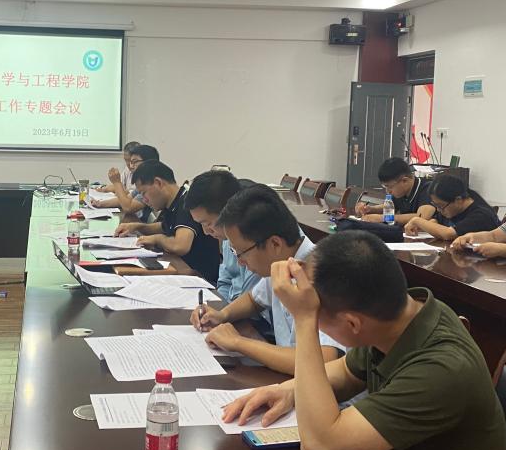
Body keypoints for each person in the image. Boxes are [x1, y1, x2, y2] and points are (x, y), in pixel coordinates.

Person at [222, 231, 506, 450]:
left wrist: (303, 321)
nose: (318, 327)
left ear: (352, 323)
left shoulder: (442, 368)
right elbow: (345, 372)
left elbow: (322, 443)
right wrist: (287, 390)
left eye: (319, 320)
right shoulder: (402, 317)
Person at [188, 185, 344, 374]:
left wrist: (238, 342)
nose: (240, 262)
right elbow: (254, 299)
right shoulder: (282, 263)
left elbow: (325, 359)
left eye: (241, 253)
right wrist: (222, 315)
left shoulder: (324, 276)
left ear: (275, 244)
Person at [114, 159, 220, 283]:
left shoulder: (186, 204)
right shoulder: (173, 202)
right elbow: (165, 226)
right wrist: (137, 227)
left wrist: (157, 239)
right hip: (181, 270)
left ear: (158, 183)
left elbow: (180, 246)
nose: (144, 200)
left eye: (144, 193)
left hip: (199, 278)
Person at [185, 169, 264, 309]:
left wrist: (225, 313)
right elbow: (224, 280)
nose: (206, 232)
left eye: (208, 224)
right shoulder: (226, 237)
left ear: (227, 212)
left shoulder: (256, 235)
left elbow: (253, 299)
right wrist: (218, 308)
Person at [404, 174, 499, 241]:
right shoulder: (451, 207)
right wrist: (424, 226)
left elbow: (448, 234)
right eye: (436, 206)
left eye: (440, 206)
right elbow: (436, 221)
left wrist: (417, 221)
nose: (438, 210)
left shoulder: (481, 214)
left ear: (458, 200)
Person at [356, 157, 435, 225]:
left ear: (404, 181)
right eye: (385, 186)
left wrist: (384, 218)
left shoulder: (428, 188)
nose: (388, 191)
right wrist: (370, 209)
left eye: (389, 187)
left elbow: (422, 217)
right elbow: (390, 207)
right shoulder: (401, 192)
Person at [92, 143, 158, 218]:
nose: (131, 166)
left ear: (147, 162)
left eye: (134, 162)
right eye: (129, 161)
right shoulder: (142, 183)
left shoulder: (151, 184)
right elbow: (127, 199)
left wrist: (117, 182)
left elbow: (128, 207)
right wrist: (100, 204)